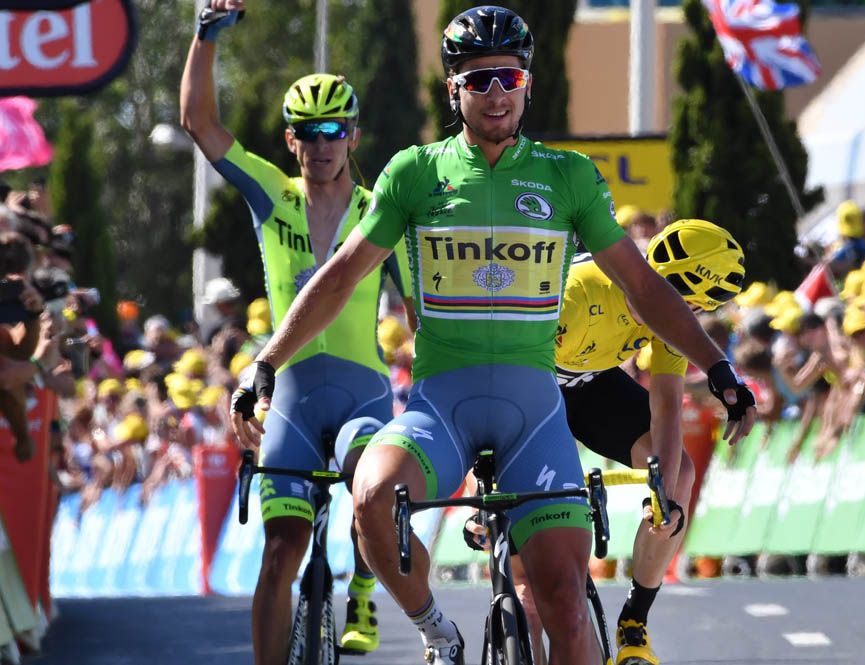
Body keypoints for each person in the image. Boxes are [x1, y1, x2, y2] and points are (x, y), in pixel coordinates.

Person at [230, 7, 755, 664]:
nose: (496, 92)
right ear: (454, 90)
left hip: (534, 412)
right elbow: (339, 277)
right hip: (439, 410)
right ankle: (437, 632)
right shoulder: (414, 173)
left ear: (528, 82)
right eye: (478, 81)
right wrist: (266, 362)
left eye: (507, 76)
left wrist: (721, 366)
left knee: (564, 598)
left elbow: (645, 287)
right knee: (369, 495)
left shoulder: (568, 176)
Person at [181, 1, 413, 661]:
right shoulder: (271, 194)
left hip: (363, 390)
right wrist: (205, 41)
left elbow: (418, 311)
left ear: (354, 137)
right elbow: (199, 123)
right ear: (290, 141)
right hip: (290, 398)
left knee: (372, 497)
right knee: (281, 549)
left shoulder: (380, 211)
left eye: (333, 130)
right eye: (306, 133)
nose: (319, 144)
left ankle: (365, 586)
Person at [468, 219, 747, 665]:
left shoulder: (667, 311)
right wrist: (480, 488)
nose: (688, 318)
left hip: (591, 386)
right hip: (520, 392)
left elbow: (668, 407)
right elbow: (493, 394)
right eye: (690, 305)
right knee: (528, 589)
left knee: (680, 477)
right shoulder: (576, 295)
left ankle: (634, 619)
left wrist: (662, 493)